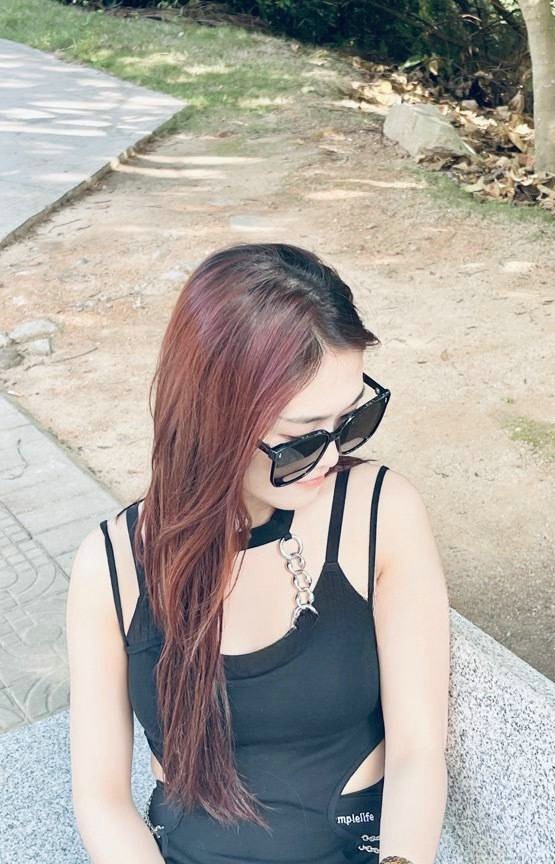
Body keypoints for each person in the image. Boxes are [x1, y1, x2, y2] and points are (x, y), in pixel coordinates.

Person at [66, 243, 450, 864]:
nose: (331, 458)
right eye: (300, 440)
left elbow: (418, 751)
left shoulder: (381, 513)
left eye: (350, 422)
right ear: (215, 418)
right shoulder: (110, 566)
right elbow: (101, 795)